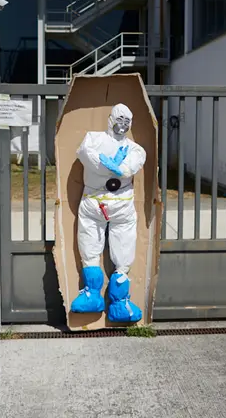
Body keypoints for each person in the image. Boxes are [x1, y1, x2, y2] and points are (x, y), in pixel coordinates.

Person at [71, 103, 146, 323]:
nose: (122, 125)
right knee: (89, 244)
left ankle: (120, 302)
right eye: (119, 119)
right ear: (111, 119)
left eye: (126, 121)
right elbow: (86, 155)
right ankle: (92, 295)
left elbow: (129, 168)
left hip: (121, 204)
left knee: (124, 248)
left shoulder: (135, 149)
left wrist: (117, 168)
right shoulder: (93, 138)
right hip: (94, 201)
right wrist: (111, 167)